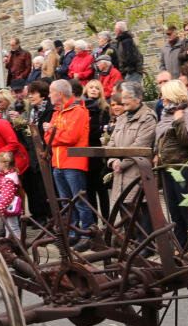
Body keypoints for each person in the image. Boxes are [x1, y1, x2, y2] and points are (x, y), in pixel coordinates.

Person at [43, 79, 92, 245]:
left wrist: (53, 134)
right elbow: (46, 138)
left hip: (73, 163)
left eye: (51, 91)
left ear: (60, 93)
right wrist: (55, 135)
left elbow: (71, 137)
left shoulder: (78, 111)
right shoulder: (57, 112)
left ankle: (86, 234)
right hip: (58, 163)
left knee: (79, 201)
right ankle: (72, 232)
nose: (49, 95)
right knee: (66, 202)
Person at [156, 80, 188, 253]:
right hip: (167, 169)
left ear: (173, 95)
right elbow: (161, 139)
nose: (162, 99)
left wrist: (179, 121)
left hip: (182, 169)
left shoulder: (186, 114)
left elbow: (186, 141)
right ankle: (181, 246)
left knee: (186, 210)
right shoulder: (166, 114)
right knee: (174, 210)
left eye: (164, 95)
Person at [107, 81, 157, 207]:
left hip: (137, 178)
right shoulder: (122, 118)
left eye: (126, 97)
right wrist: (113, 161)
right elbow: (111, 144)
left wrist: (121, 164)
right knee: (125, 222)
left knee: (141, 221)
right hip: (119, 180)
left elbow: (140, 146)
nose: (123, 101)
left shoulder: (148, 118)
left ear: (138, 98)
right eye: (122, 97)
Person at [82, 80, 111, 217]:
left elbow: (103, 131)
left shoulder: (104, 109)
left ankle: (106, 221)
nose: (93, 90)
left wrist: (93, 130)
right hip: (85, 153)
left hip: (99, 153)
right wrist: (95, 129)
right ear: (86, 90)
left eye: (96, 88)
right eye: (91, 87)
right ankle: (94, 223)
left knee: (102, 190)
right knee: (89, 191)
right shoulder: (81, 108)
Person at [0, 151, 24, 240]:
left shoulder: (9, 180)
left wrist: (1, 207)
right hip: (8, 206)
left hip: (8, 206)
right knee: (8, 225)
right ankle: (8, 239)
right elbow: (2, 183)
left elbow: (8, 196)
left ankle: (18, 241)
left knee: (13, 226)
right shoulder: (7, 176)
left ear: (4, 164)